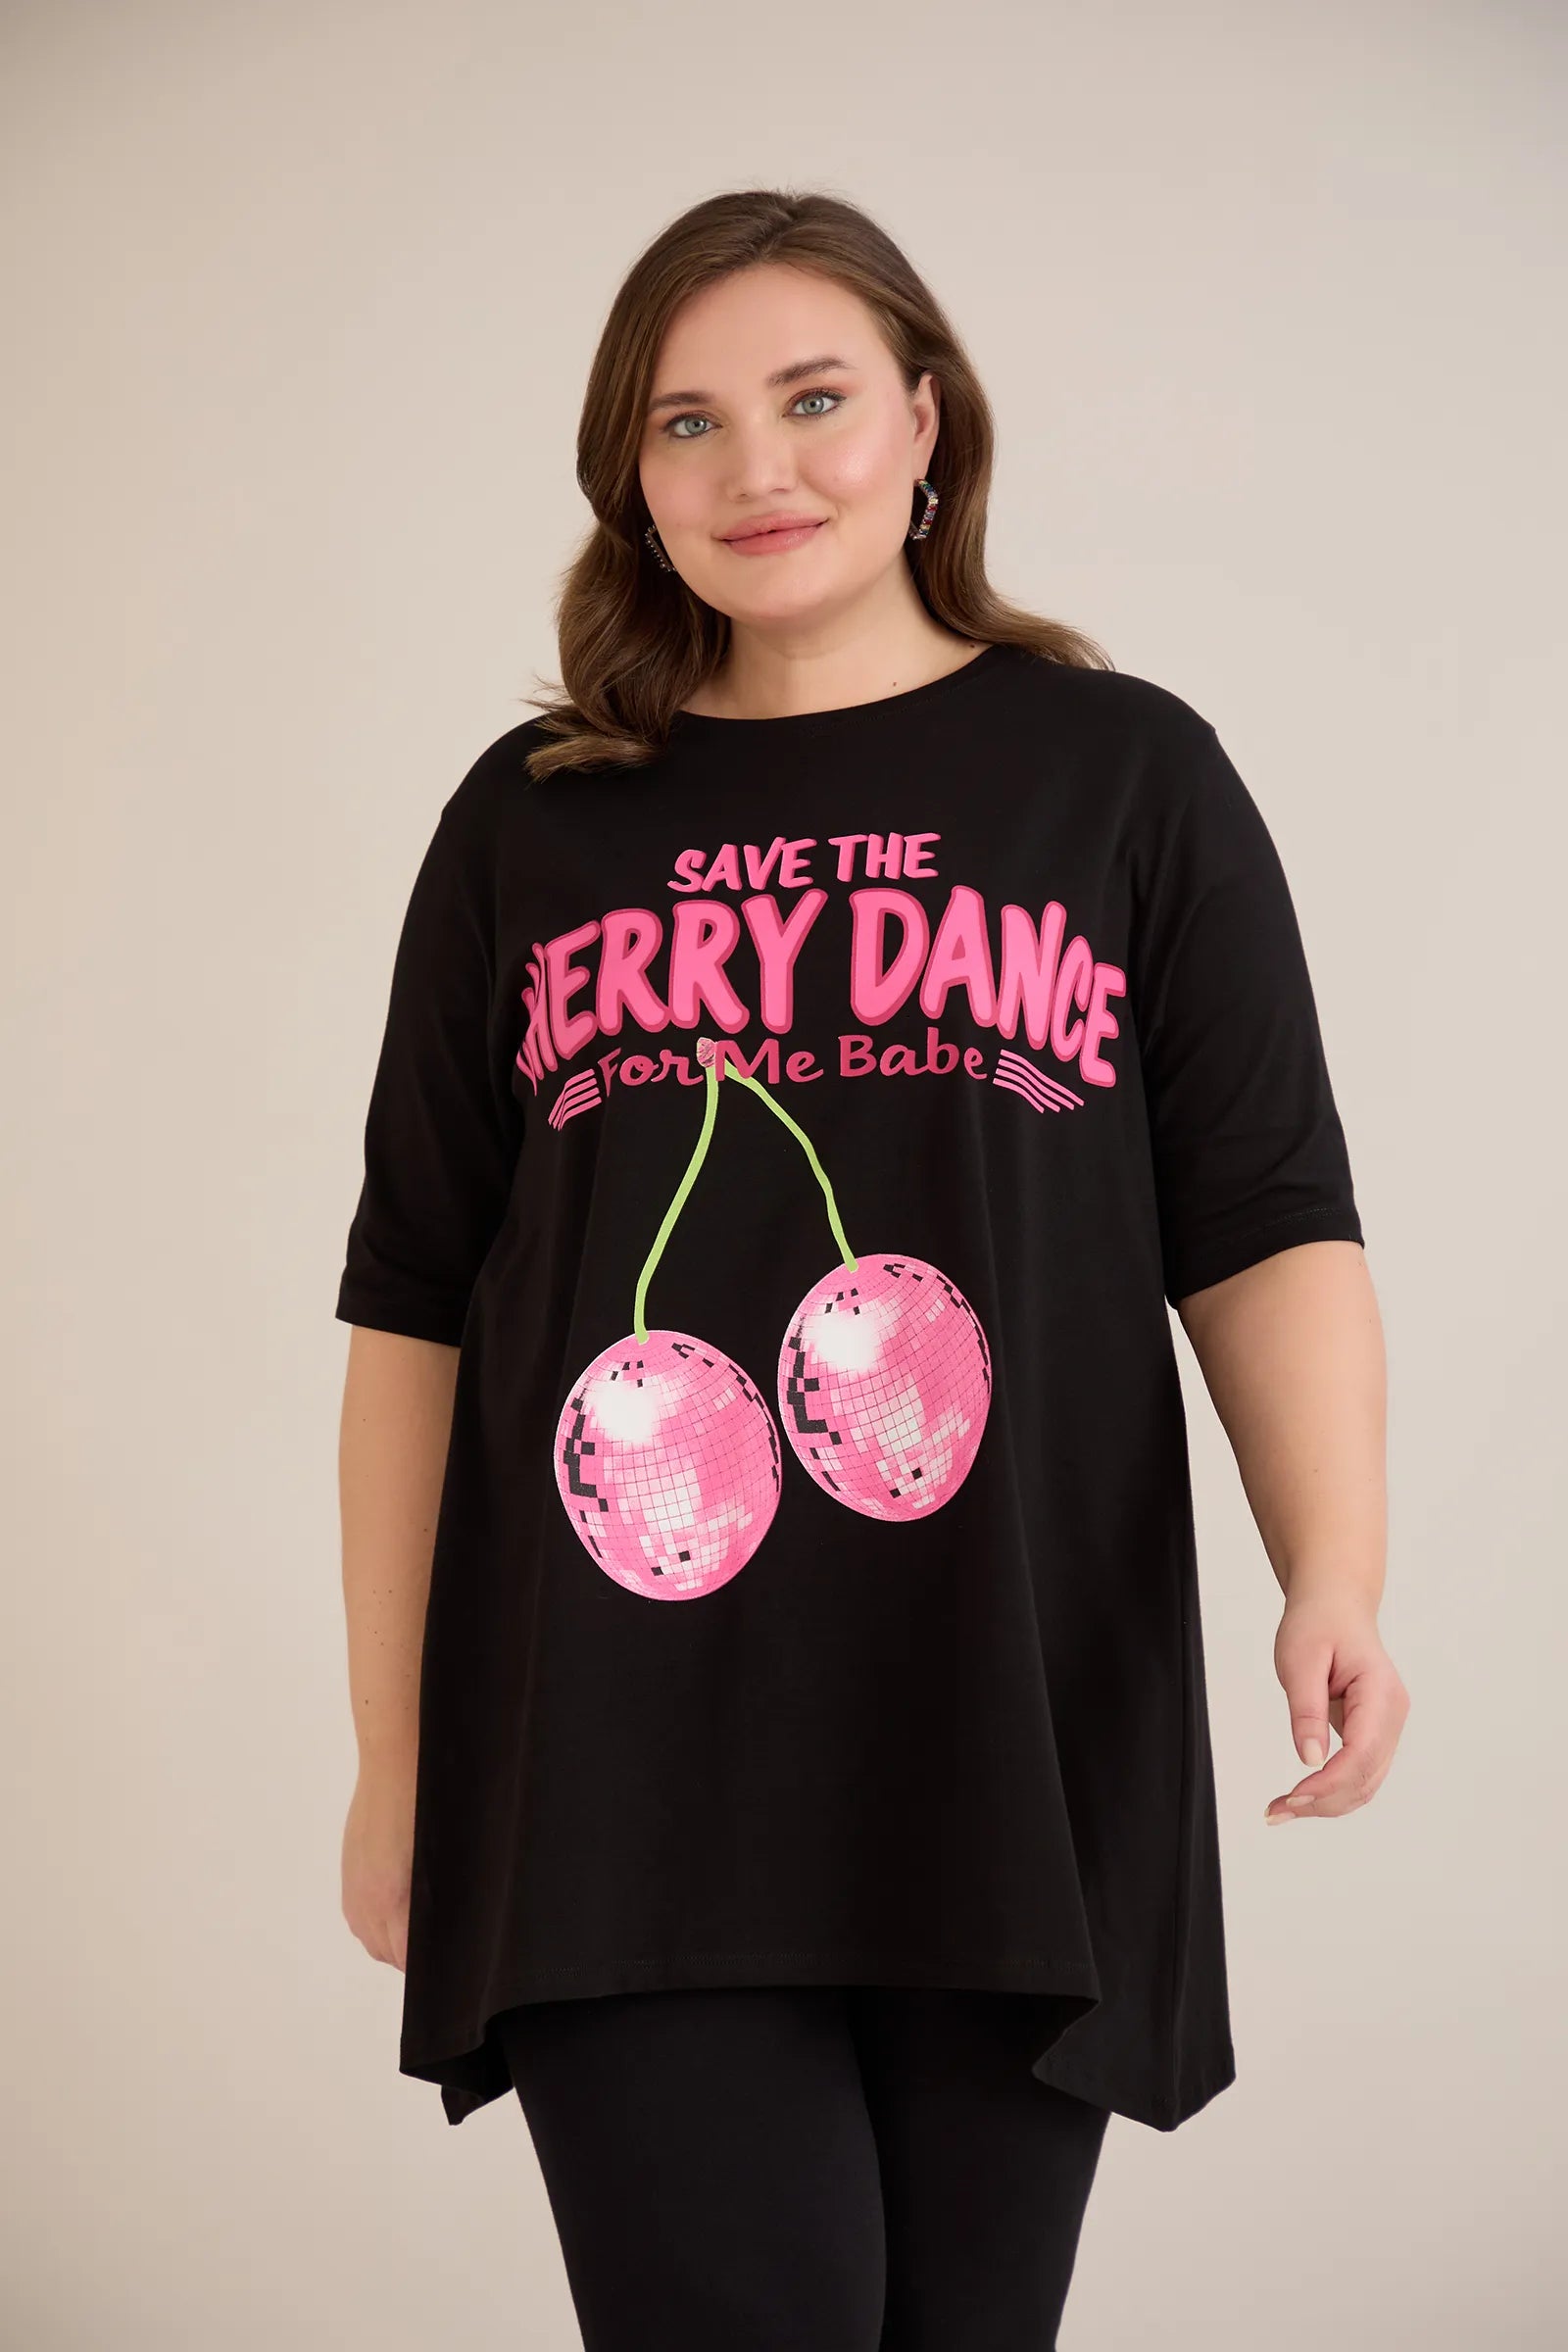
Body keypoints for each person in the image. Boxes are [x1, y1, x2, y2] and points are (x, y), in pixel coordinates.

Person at [335, 186, 1408, 2349]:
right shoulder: (533, 820)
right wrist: (397, 1753)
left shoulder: (1122, 776)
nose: (759, 466)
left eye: (813, 399)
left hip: (1010, 1721)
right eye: (687, 423)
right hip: (615, 1753)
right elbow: (414, 1313)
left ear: (925, 423)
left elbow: (1263, 1220)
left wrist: (1336, 1568)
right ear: (631, 480)